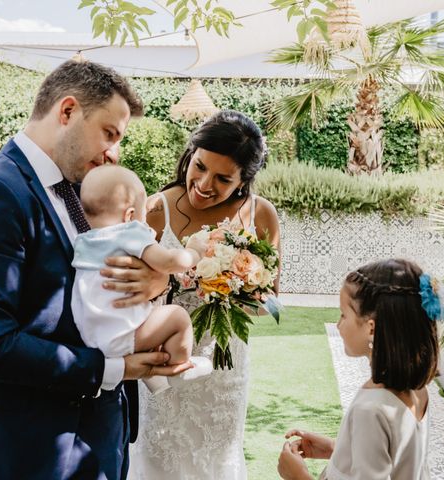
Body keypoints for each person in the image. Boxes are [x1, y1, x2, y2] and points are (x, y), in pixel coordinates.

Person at [0, 60, 191, 480]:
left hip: (97, 443)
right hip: (23, 453)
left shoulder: (86, 192)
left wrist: (157, 279)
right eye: (109, 134)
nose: (114, 152)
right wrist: (113, 369)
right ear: (68, 111)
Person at [128, 110, 281, 479]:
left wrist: (234, 286)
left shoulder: (260, 215)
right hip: (164, 364)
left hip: (223, 371)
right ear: (191, 152)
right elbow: (130, 294)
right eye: (199, 166)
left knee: (216, 463)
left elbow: (273, 301)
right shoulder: (154, 209)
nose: (204, 183)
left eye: (223, 179)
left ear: (244, 179)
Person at [277, 258, 443, 480]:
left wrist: (298, 476)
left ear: (371, 328)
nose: (338, 325)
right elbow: (392, 461)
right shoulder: (418, 391)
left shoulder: (371, 409)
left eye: (344, 315)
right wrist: (336, 449)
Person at [72, 165, 212, 393]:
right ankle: (181, 367)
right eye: (143, 216)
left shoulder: (83, 241)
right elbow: (168, 262)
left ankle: (155, 381)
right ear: (129, 216)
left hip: (90, 338)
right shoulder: (128, 231)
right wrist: (195, 251)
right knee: (177, 317)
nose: (145, 223)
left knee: (150, 319)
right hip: (121, 333)